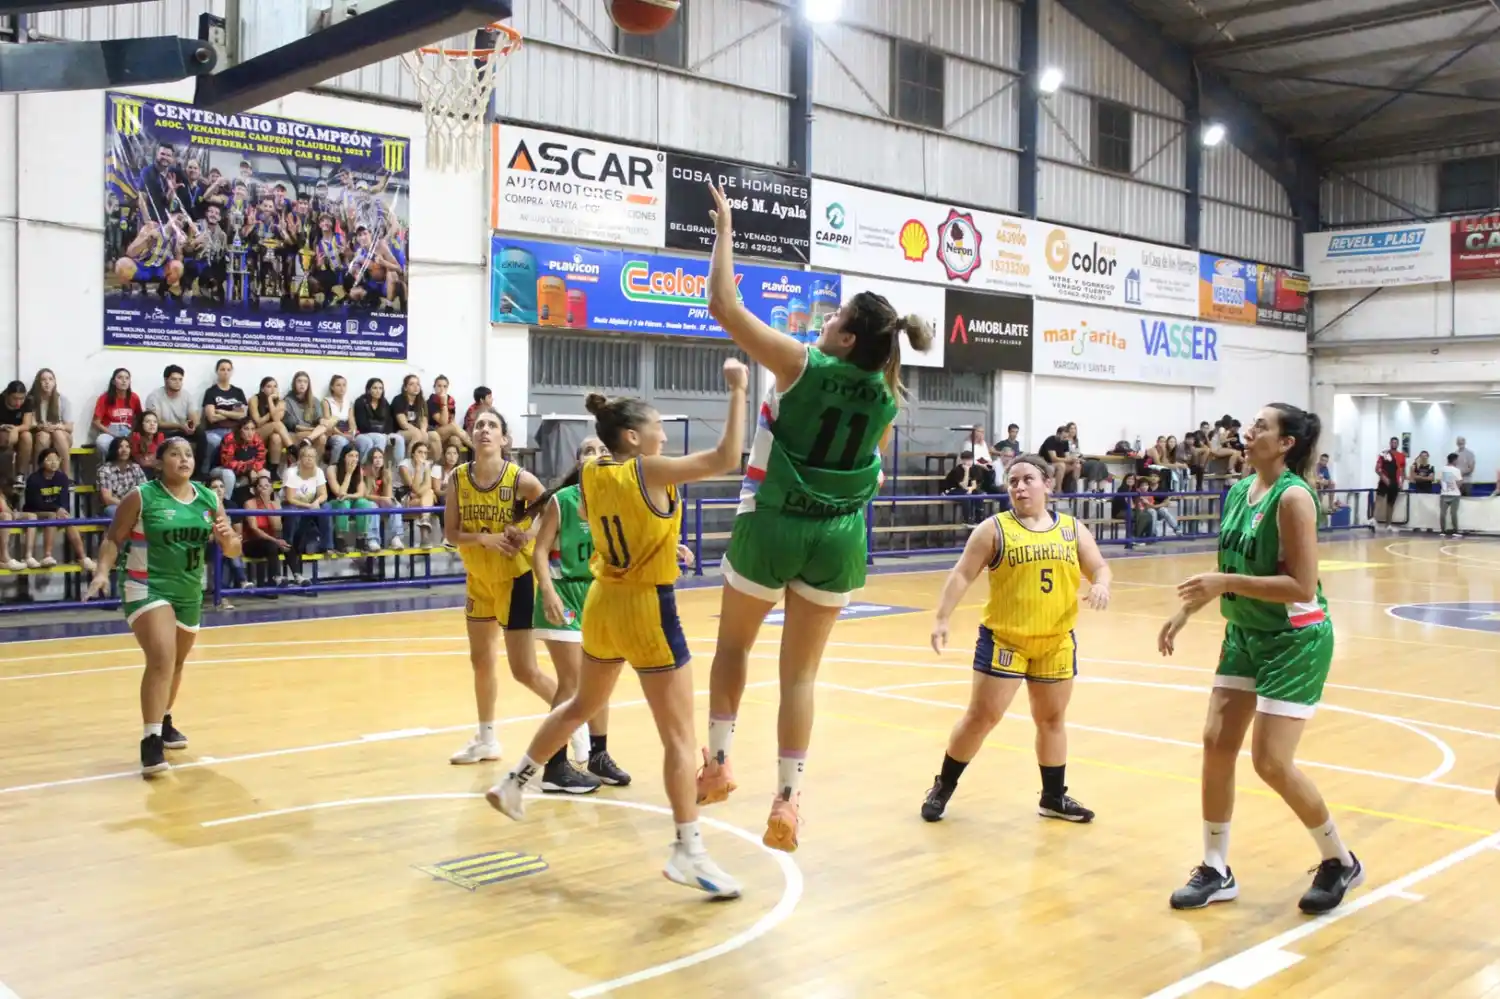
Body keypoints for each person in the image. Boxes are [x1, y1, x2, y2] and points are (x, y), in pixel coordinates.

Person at [696, 182, 934, 853]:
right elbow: (864, 468)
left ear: (847, 335)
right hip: (838, 538)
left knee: (734, 648)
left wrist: (725, 229)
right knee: (799, 675)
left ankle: (717, 760)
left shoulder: (802, 364)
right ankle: (790, 798)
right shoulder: (886, 398)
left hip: (773, 522)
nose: (823, 323)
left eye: (833, 319)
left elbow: (723, 304)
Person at [486, 360, 749, 900]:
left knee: (581, 704)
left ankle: (515, 781)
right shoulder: (647, 470)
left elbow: (611, 522)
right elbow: (727, 457)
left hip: (605, 602)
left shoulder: (591, 473)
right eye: (656, 426)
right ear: (633, 436)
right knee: (678, 737)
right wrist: (739, 389)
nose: (662, 433)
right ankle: (687, 849)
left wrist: (659, 544)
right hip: (649, 607)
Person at [1159, 403, 1361, 915]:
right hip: (1246, 631)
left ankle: (1339, 859)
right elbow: (1228, 565)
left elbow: (1300, 583)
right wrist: (1190, 609)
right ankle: (1215, 867)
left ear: (1286, 443)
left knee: (1270, 762)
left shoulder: (1294, 499)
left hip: (1295, 638)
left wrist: (1224, 584)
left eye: (1261, 426)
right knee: (1215, 742)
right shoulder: (1235, 493)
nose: (1248, 432)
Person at [920, 455, 1111, 823]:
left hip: (1055, 639)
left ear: (1047, 484)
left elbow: (1098, 565)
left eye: (1027, 480)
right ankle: (943, 786)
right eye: (1012, 482)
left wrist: (1101, 583)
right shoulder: (994, 529)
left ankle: (1053, 798)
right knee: (981, 717)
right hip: (1006, 639)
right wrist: (942, 617)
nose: (1019, 487)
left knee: (1052, 720)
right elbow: (962, 575)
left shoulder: (1071, 529)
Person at [83, 437, 239, 776]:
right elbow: (112, 538)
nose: (183, 459)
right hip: (146, 585)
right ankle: (150, 740)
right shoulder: (142, 496)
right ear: (158, 461)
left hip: (189, 590)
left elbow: (234, 550)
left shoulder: (209, 498)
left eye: (188, 454)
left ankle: (164, 719)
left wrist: (228, 539)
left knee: (177, 662)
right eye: (174, 453)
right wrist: (101, 573)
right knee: (162, 657)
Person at [445, 409, 560, 765]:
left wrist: (526, 533)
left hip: (515, 579)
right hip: (479, 578)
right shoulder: (458, 478)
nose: (484, 430)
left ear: (504, 439)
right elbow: (451, 534)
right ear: (470, 435)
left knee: (524, 671)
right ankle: (486, 739)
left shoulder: (520, 479)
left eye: (492, 426)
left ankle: (578, 722)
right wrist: (484, 537)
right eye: (478, 425)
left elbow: (550, 511)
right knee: (481, 661)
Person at [1440, 452, 1462, 537]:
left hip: (1444, 493)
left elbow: (1440, 481)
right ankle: (1455, 531)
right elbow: (1459, 482)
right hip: (1455, 494)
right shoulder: (1457, 470)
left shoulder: (1442, 469)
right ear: (1454, 460)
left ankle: (1442, 531)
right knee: (1454, 513)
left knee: (1443, 512)